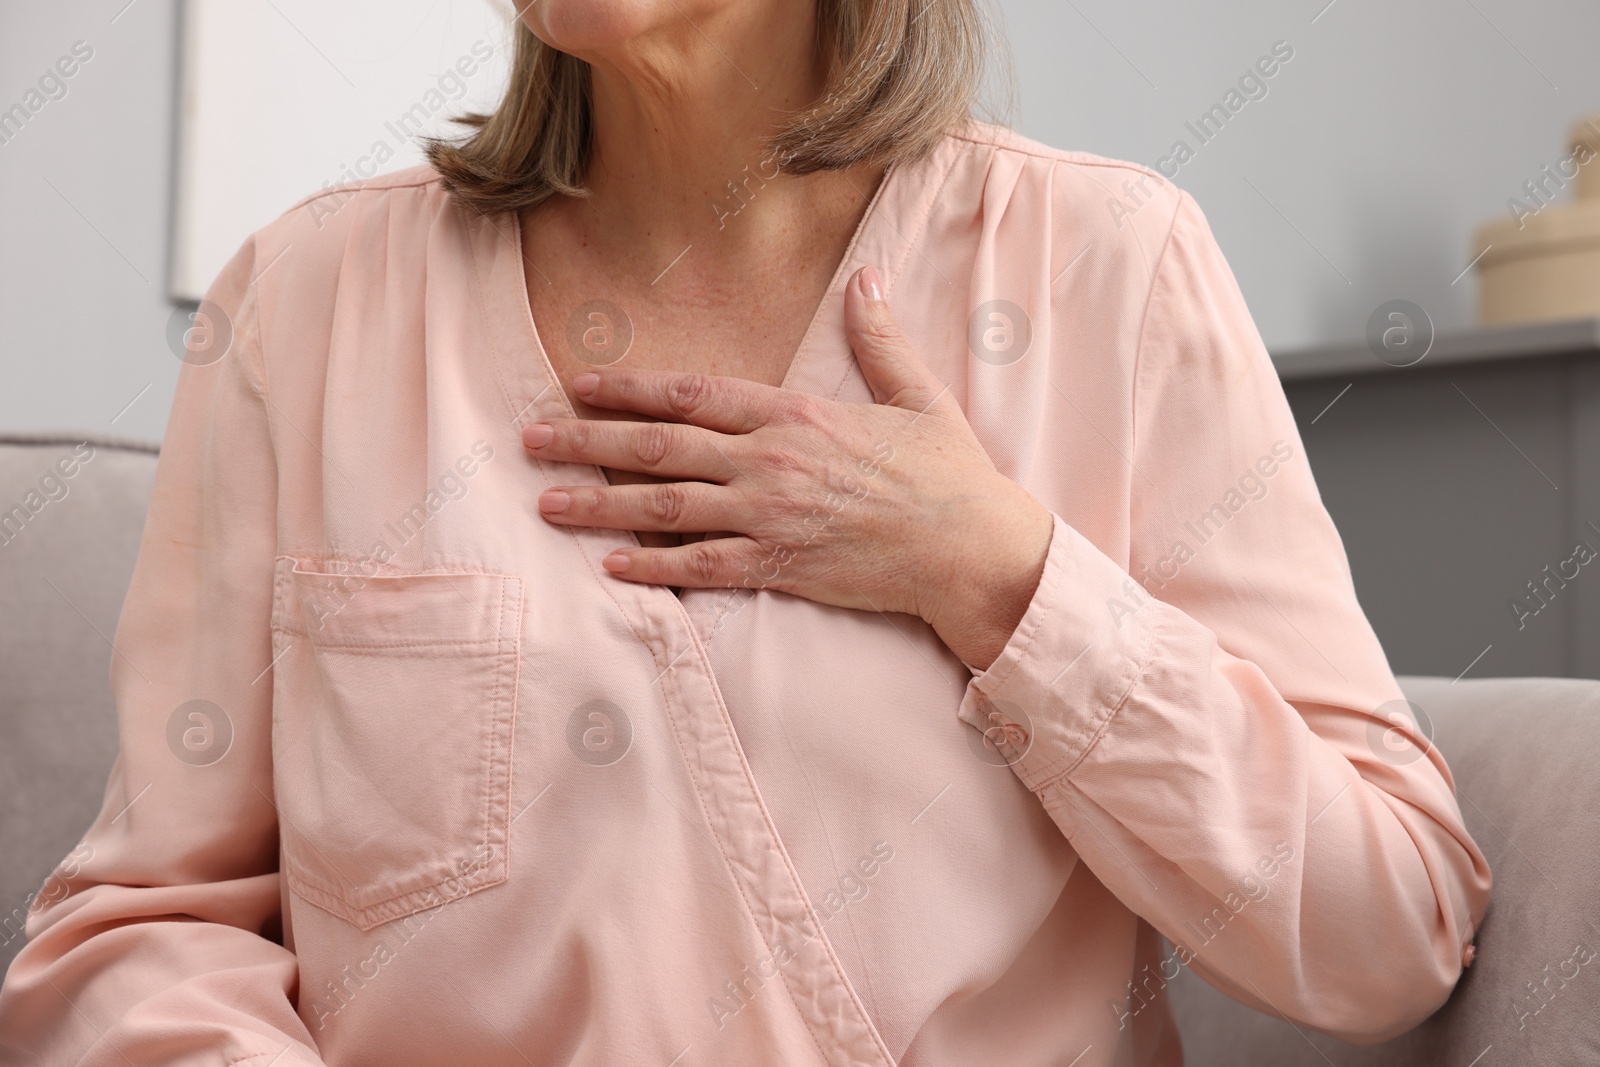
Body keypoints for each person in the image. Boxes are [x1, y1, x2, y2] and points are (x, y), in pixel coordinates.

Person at [0, 1, 1491, 1064]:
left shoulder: (1109, 272)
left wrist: (999, 575)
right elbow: (136, 931)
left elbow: (1387, 930)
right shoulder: (309, 307)